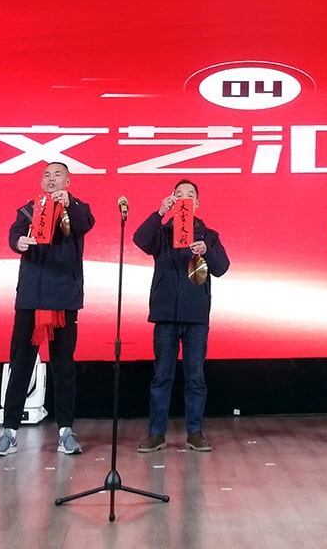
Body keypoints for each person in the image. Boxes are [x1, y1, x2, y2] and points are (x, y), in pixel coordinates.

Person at [0, 162, 95, 456]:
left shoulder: (78, 208)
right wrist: (18, 241)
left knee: (63, 367)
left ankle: (66, 431)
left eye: (57, 175)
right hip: (31, 298)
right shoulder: (28, 209)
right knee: (21, 366)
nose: (51, 179)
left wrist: (68, 204)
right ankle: (9, 432)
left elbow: (84, 225)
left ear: (67, 181)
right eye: (47, 175)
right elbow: (15, 232)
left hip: (63, 298)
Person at [134, 179, 230, 453]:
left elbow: (222, 267)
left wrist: (206, 251)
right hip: (165, 314)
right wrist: (160, 212)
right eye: (179, 195)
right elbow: (140, 239)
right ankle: (156, 433)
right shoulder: (163, 233)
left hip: (196, 316)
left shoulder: (208, 235)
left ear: (197, 203)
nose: (184, 199)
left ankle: (195, 432)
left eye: (190, 195)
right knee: (161, 376)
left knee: (195, 377)